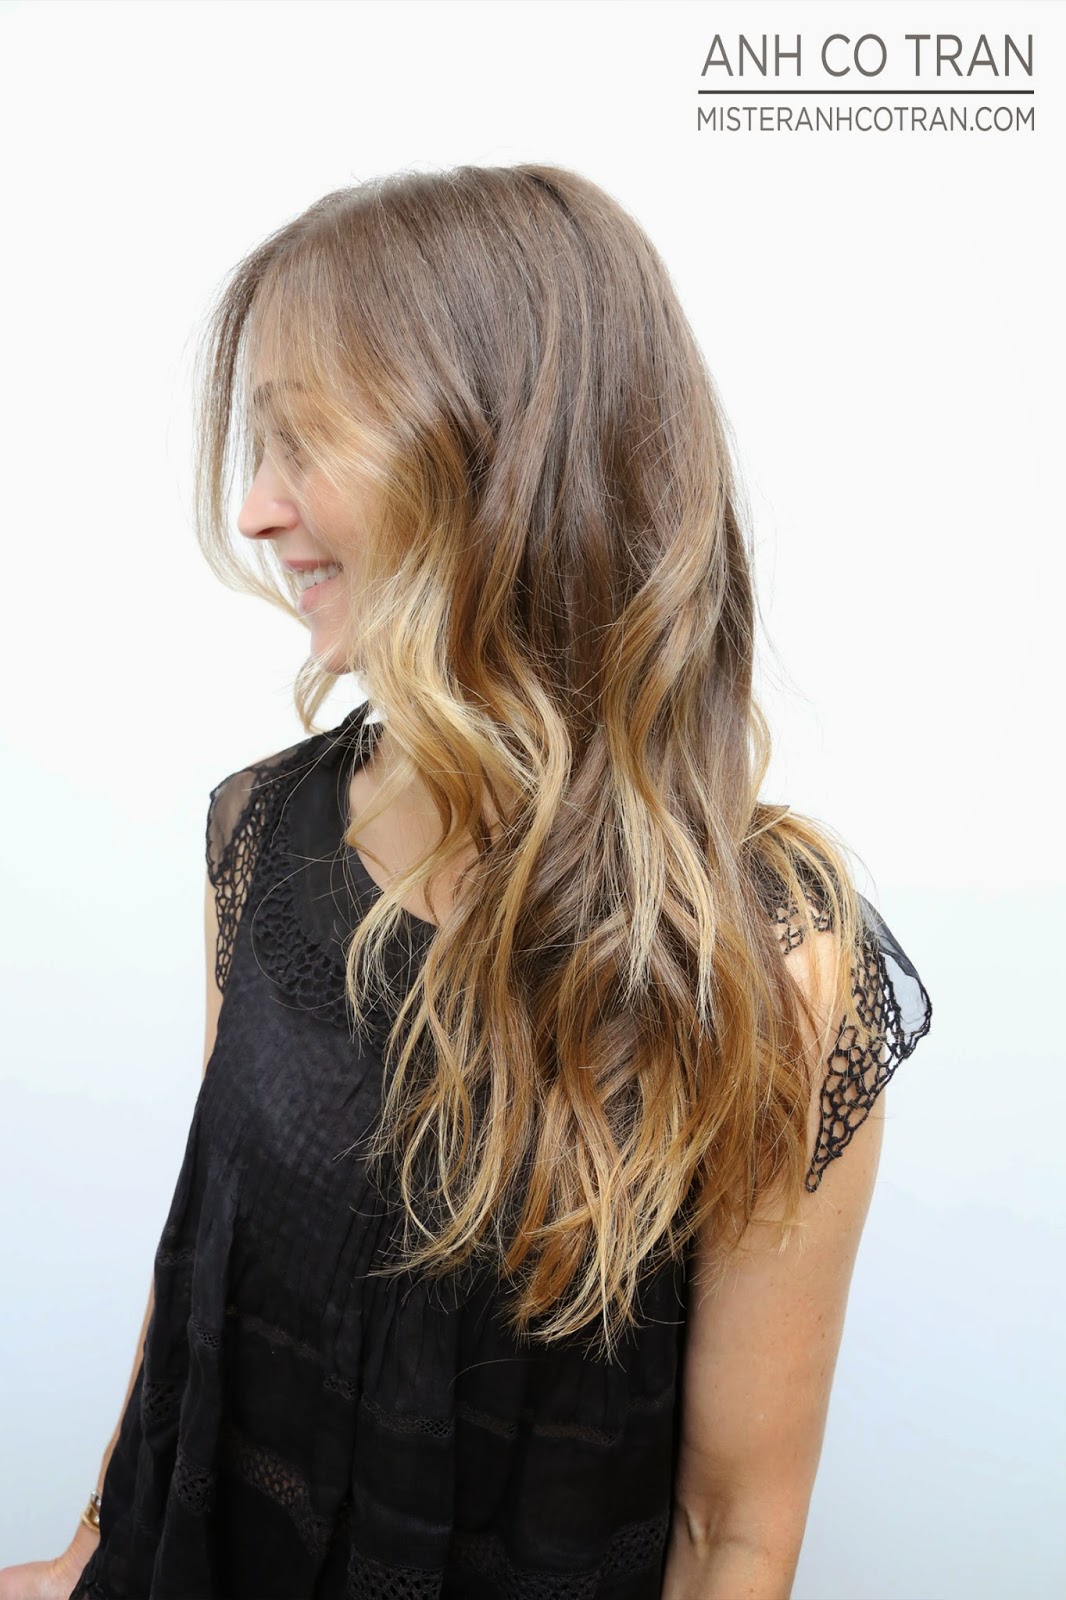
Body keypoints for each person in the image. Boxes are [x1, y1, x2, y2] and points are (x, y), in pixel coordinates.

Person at [3, 163, 932, 1600]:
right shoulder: (261, 833)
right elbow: (202, 1280)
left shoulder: (771, 958)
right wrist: (87, 1552)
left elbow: (732, 1529)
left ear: (494, 461)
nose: (255, 508)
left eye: (302, 442)